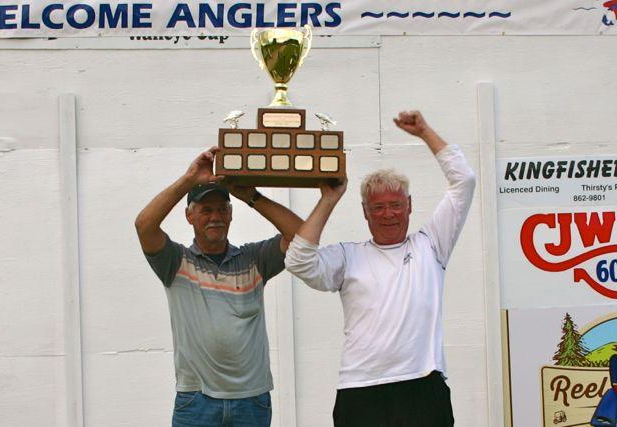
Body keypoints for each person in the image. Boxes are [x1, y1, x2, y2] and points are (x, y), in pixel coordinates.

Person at [285, 111, 476, 426]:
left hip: (422, 385)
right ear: (365, 213)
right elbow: (298, 260)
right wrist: (329, 198)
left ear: (409, 206)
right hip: (360, 391)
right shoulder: (348, 256)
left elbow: (464, 180)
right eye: (378, 207)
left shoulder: (431, 245)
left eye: (395, 205)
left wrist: (425, 131)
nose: (388, 214)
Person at [134, 146, 303, 427]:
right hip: (196, 399)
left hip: (252, 399)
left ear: (231, 214)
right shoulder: (175, 261)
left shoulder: (255, 259)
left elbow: (301, 236)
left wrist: (250, 195)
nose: (215, 216)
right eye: (206, 210)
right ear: (189, 216)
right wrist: (189, 180)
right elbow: (144, 226)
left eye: (222, 209)